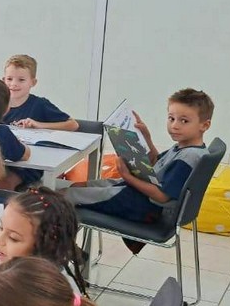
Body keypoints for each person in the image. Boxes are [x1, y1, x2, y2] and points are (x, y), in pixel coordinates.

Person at [66, 89, 213, 251]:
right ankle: (69, 249)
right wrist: (146, 137)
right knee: (76, 186)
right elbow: (156, 162)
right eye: (171, 118)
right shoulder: (187, 148)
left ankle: (64, 251)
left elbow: (162, 196)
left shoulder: (188, 157)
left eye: (184, 121)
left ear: (204, 125)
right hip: (137, 196)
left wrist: (128, 177)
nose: (174, 126)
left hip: (143, 207)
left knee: (64, 196)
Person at [0, 186, 89, 293]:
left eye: (13, 238)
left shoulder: (48, 295)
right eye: (1, 227)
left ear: (45, 248)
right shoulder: (10, 266)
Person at [1, 54, 79, 131]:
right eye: (9, 79)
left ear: (33, 82)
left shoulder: (40, 104)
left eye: (21, 80)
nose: (14, 84)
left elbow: (73, 125)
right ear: (3, 80)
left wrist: (39, 125)